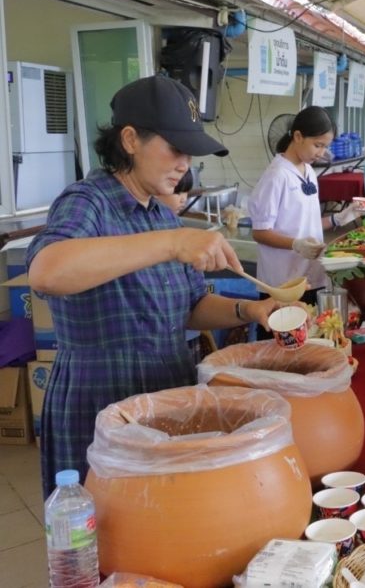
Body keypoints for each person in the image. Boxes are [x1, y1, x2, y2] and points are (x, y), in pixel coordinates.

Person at [26, 75, 281, 496]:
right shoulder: (88, 201)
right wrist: (172, 243)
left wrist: (250, 310)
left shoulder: (159, 215)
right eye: (175, 149)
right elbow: (47, 271)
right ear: (130, 140)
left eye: (190, 154)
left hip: (164, 388)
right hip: (101, 397)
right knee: (109, 537)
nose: (185, 164)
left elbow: (190, 306)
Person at [249, 106, 348, 296]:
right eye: (318, 145)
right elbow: (260, 232)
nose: (321, 153)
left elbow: (305, 224)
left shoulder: (309, 171)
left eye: (326, 147)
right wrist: (296, 245)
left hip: (311, 276)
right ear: (297, 136)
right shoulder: (277, 175)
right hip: (283, 282)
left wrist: (340, 218)